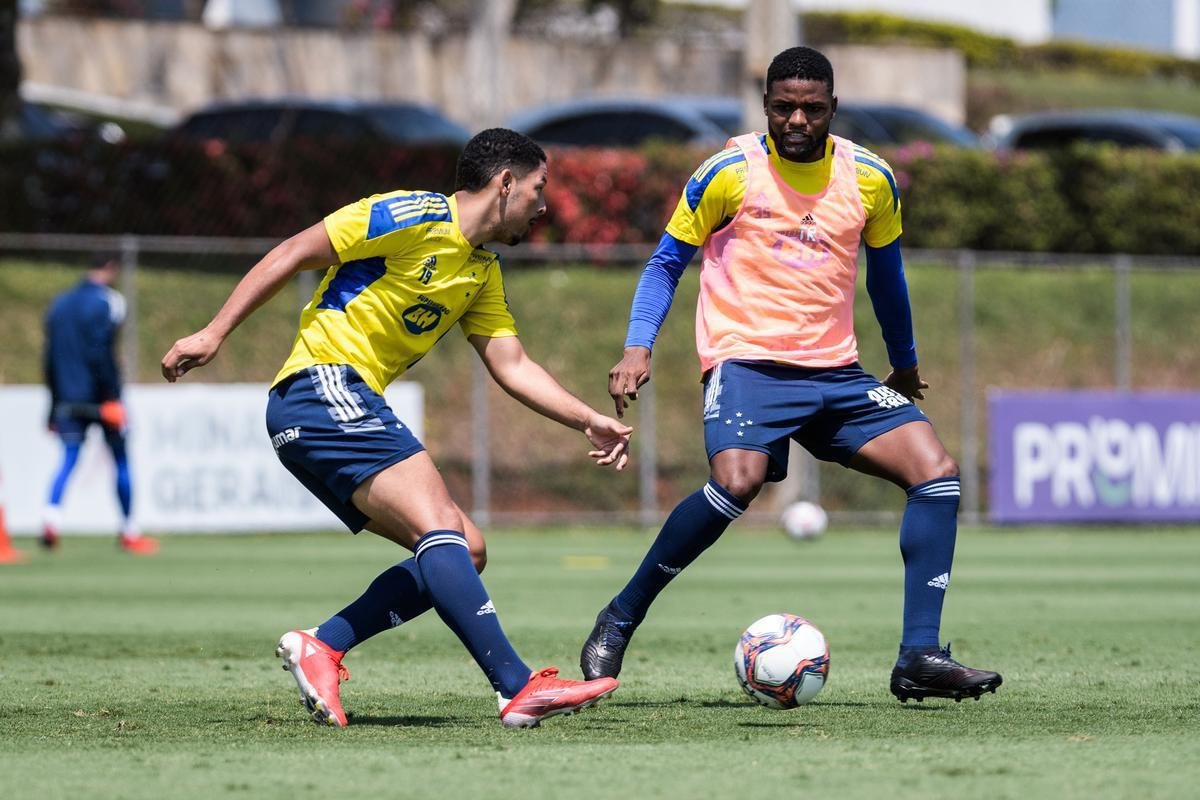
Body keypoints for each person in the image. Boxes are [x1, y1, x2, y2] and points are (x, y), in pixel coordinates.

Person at [161, 128, 629, 728]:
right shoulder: (411, 213)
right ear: (505, 183)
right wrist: (213, 332)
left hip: (336, 404)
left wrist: (585, 418)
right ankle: (515, 687)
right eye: (539, 189)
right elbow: (293, 252)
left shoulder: (481, 271)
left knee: (466, 548)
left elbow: (511, 364)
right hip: (321, 386)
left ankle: (324, 645)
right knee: (441, 529)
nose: (544, 205)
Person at [580, 47, 1002, 704]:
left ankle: (918, 654)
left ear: (833, 108)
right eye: (784, 107)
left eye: (811, 107)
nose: (797, 119)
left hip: (837, 374)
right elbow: (665, 264)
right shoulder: (728, 171)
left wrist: (906, 358)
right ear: (767, 107)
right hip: (747, 362)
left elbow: (886, 277)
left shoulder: (870, 178)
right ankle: (621, 616)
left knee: (938, 475)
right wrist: (638, 348)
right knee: (737, 483)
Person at [42, 253, 158, 555]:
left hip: (67, 397)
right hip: (100, 398)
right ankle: (129, 530)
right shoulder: (109, 301)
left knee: (68, 457)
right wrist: (113, 397)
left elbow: (50, 359)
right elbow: (101, 352)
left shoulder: (59, 304)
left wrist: (53, 406)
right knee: (119, 458)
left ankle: (50, 521)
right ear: (112, 268)